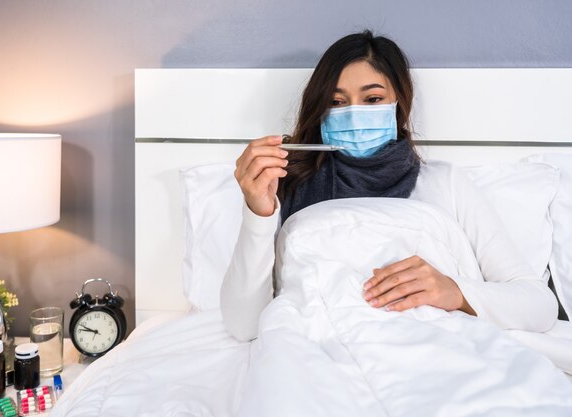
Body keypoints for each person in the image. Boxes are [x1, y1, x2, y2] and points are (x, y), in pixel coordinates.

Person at [220, 30, 558, 342]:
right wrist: (258, 212)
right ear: (319, 111)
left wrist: (454, 291)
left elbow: (539, 305)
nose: (353, 114)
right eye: (336, 103)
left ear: (400, 106)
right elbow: (243, 325)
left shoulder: (445, 183)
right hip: (323, 348)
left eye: (372, 100)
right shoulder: (284, 187)